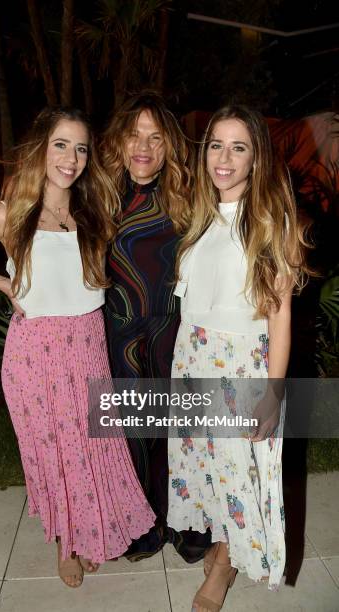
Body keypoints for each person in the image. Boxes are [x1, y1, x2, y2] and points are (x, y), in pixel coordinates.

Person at [0, 107, 156, 588]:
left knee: (92, 446)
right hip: (36, 350)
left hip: (88, 340)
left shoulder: (91, 209)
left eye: (80, 148)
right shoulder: (11, 210)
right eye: (61, 144)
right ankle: (67, 543)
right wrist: (4, 283)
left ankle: (91, 527)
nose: (71, 157)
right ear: (41, 147)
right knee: (56, 451)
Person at [167, 105, 308, 611]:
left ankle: (224, 565)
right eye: (216, 146)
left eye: (239, 147)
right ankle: (222, 542)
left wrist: (272, 393)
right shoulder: (201, 214)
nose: (224, 158)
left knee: (237, 470)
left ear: (256, 159)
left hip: (240, 366)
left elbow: (279, 318)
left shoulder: (271, 218)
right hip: (194, 357)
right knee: (207, 464)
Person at [101, 92, 212, 561]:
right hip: (120, 331)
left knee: (181, 429)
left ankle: (188, 523)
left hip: (174, 331)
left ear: (169, 147)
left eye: (155, 137)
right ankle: (144, 522)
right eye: (134, 135)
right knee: (133, 432)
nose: (143, 147)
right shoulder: (96, 195)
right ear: (119, 143)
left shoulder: (189, 196)